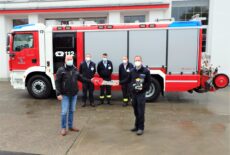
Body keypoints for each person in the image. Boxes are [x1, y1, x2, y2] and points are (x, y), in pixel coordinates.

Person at [55, 54, 93, 136]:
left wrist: (90, 80)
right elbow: (57, 82)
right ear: (65, 60)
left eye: (71, 59)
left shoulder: (75, 69)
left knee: (72, 110)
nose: (70, 60)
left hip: (74, 94)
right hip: (65, 95)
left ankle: (71, 126)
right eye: (68, 59)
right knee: (64, 112)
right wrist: (58, 93)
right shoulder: (61, 70)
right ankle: (63, 128)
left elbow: (81, 78)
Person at [119, 56, 151, 136]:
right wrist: (119, 82)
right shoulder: (132, 71)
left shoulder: (145, 71)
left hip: (141, 94)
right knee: (136, 111)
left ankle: (141, 128)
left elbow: (148, 83)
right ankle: (136, 126)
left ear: (141, 61)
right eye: (136, 60)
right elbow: (128, 80)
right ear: (134, 61)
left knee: (141, 111)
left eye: (138, 60)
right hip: (133, 94)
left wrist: (142, 88)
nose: (137, 61)